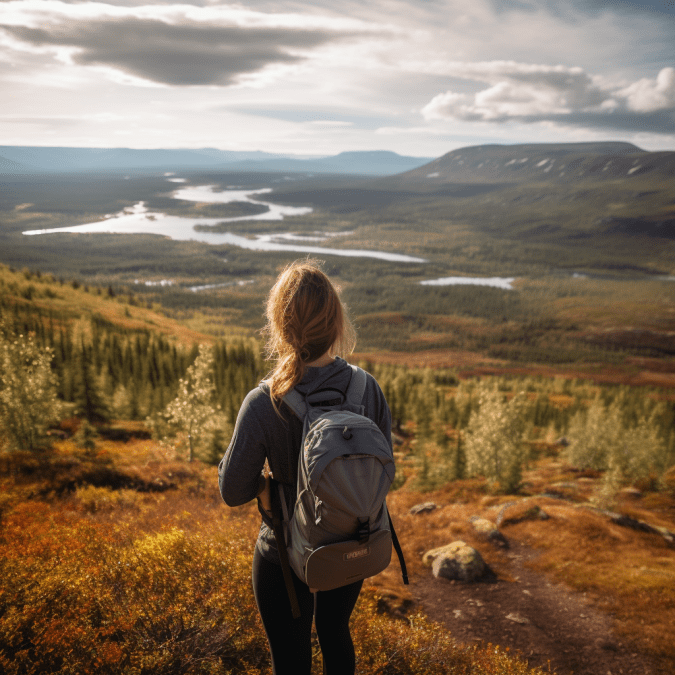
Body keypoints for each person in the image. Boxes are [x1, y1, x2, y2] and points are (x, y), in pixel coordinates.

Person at [218, 259, 393, 675]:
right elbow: (384, 472)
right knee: (335, 632)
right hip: (350, 540)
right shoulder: (366, 388)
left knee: (292, 660)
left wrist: (264, 487)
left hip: (283, 549)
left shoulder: (264, 402)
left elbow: (231, 490)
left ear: (280, 326)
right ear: (336, 321)